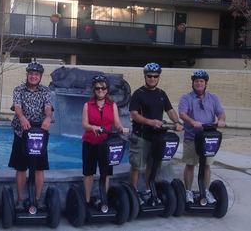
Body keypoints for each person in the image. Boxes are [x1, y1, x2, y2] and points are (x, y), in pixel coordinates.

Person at [128, 62, 183, 197]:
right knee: (136, 166)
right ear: (145, 76)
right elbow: (134, 115)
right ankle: (133, 192)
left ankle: (147, 189)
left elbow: (169, 110)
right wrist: (150, 122)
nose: (152, 79)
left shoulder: (161, 94)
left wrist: (177, 122)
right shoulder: (138, 94)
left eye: (155, 76)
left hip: (157, 137)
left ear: (158, 77)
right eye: (149, 76)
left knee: (152, 166)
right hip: (141, 135)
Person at [8, 62, 52, 210]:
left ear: (40, 77)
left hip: (39, 135)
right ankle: (20, 199)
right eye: (31, 74)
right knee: (20, 168)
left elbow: (48, 108)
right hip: (22, 133)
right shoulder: (19, 90)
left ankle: (38, 199)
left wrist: (47, 118)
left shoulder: (45, 91)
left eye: (37, 74)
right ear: (27, 75)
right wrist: (21, 118)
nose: (34, 76)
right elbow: (18, 106)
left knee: (39, 168)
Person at [178, 70, 226, 204]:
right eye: (196, 81)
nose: (199, 83)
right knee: (190, 164)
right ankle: (188, 191)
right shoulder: (186, 98)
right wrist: (192, 122)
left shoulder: (213, 98)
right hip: (192, 137)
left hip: (208, 139)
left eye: (201, 81)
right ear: (193, 83)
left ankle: (206, 191)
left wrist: (221, 120)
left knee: (206, 166)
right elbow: (182, 114)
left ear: (205, 83)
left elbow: (221, 113)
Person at [81, 74, 129, 206]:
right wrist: (93, 127)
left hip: (107, 144)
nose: (100, 90)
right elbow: (84, 124)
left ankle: (104, 199)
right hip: (90, 142)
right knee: (89, 173)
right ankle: (87, 200)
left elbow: (116, 123)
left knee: (106, 173)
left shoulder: (112, 105)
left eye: (103, 88)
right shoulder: (87, 105)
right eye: (97, 88)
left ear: (107, 89)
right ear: (94, 90)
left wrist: (121, 128)